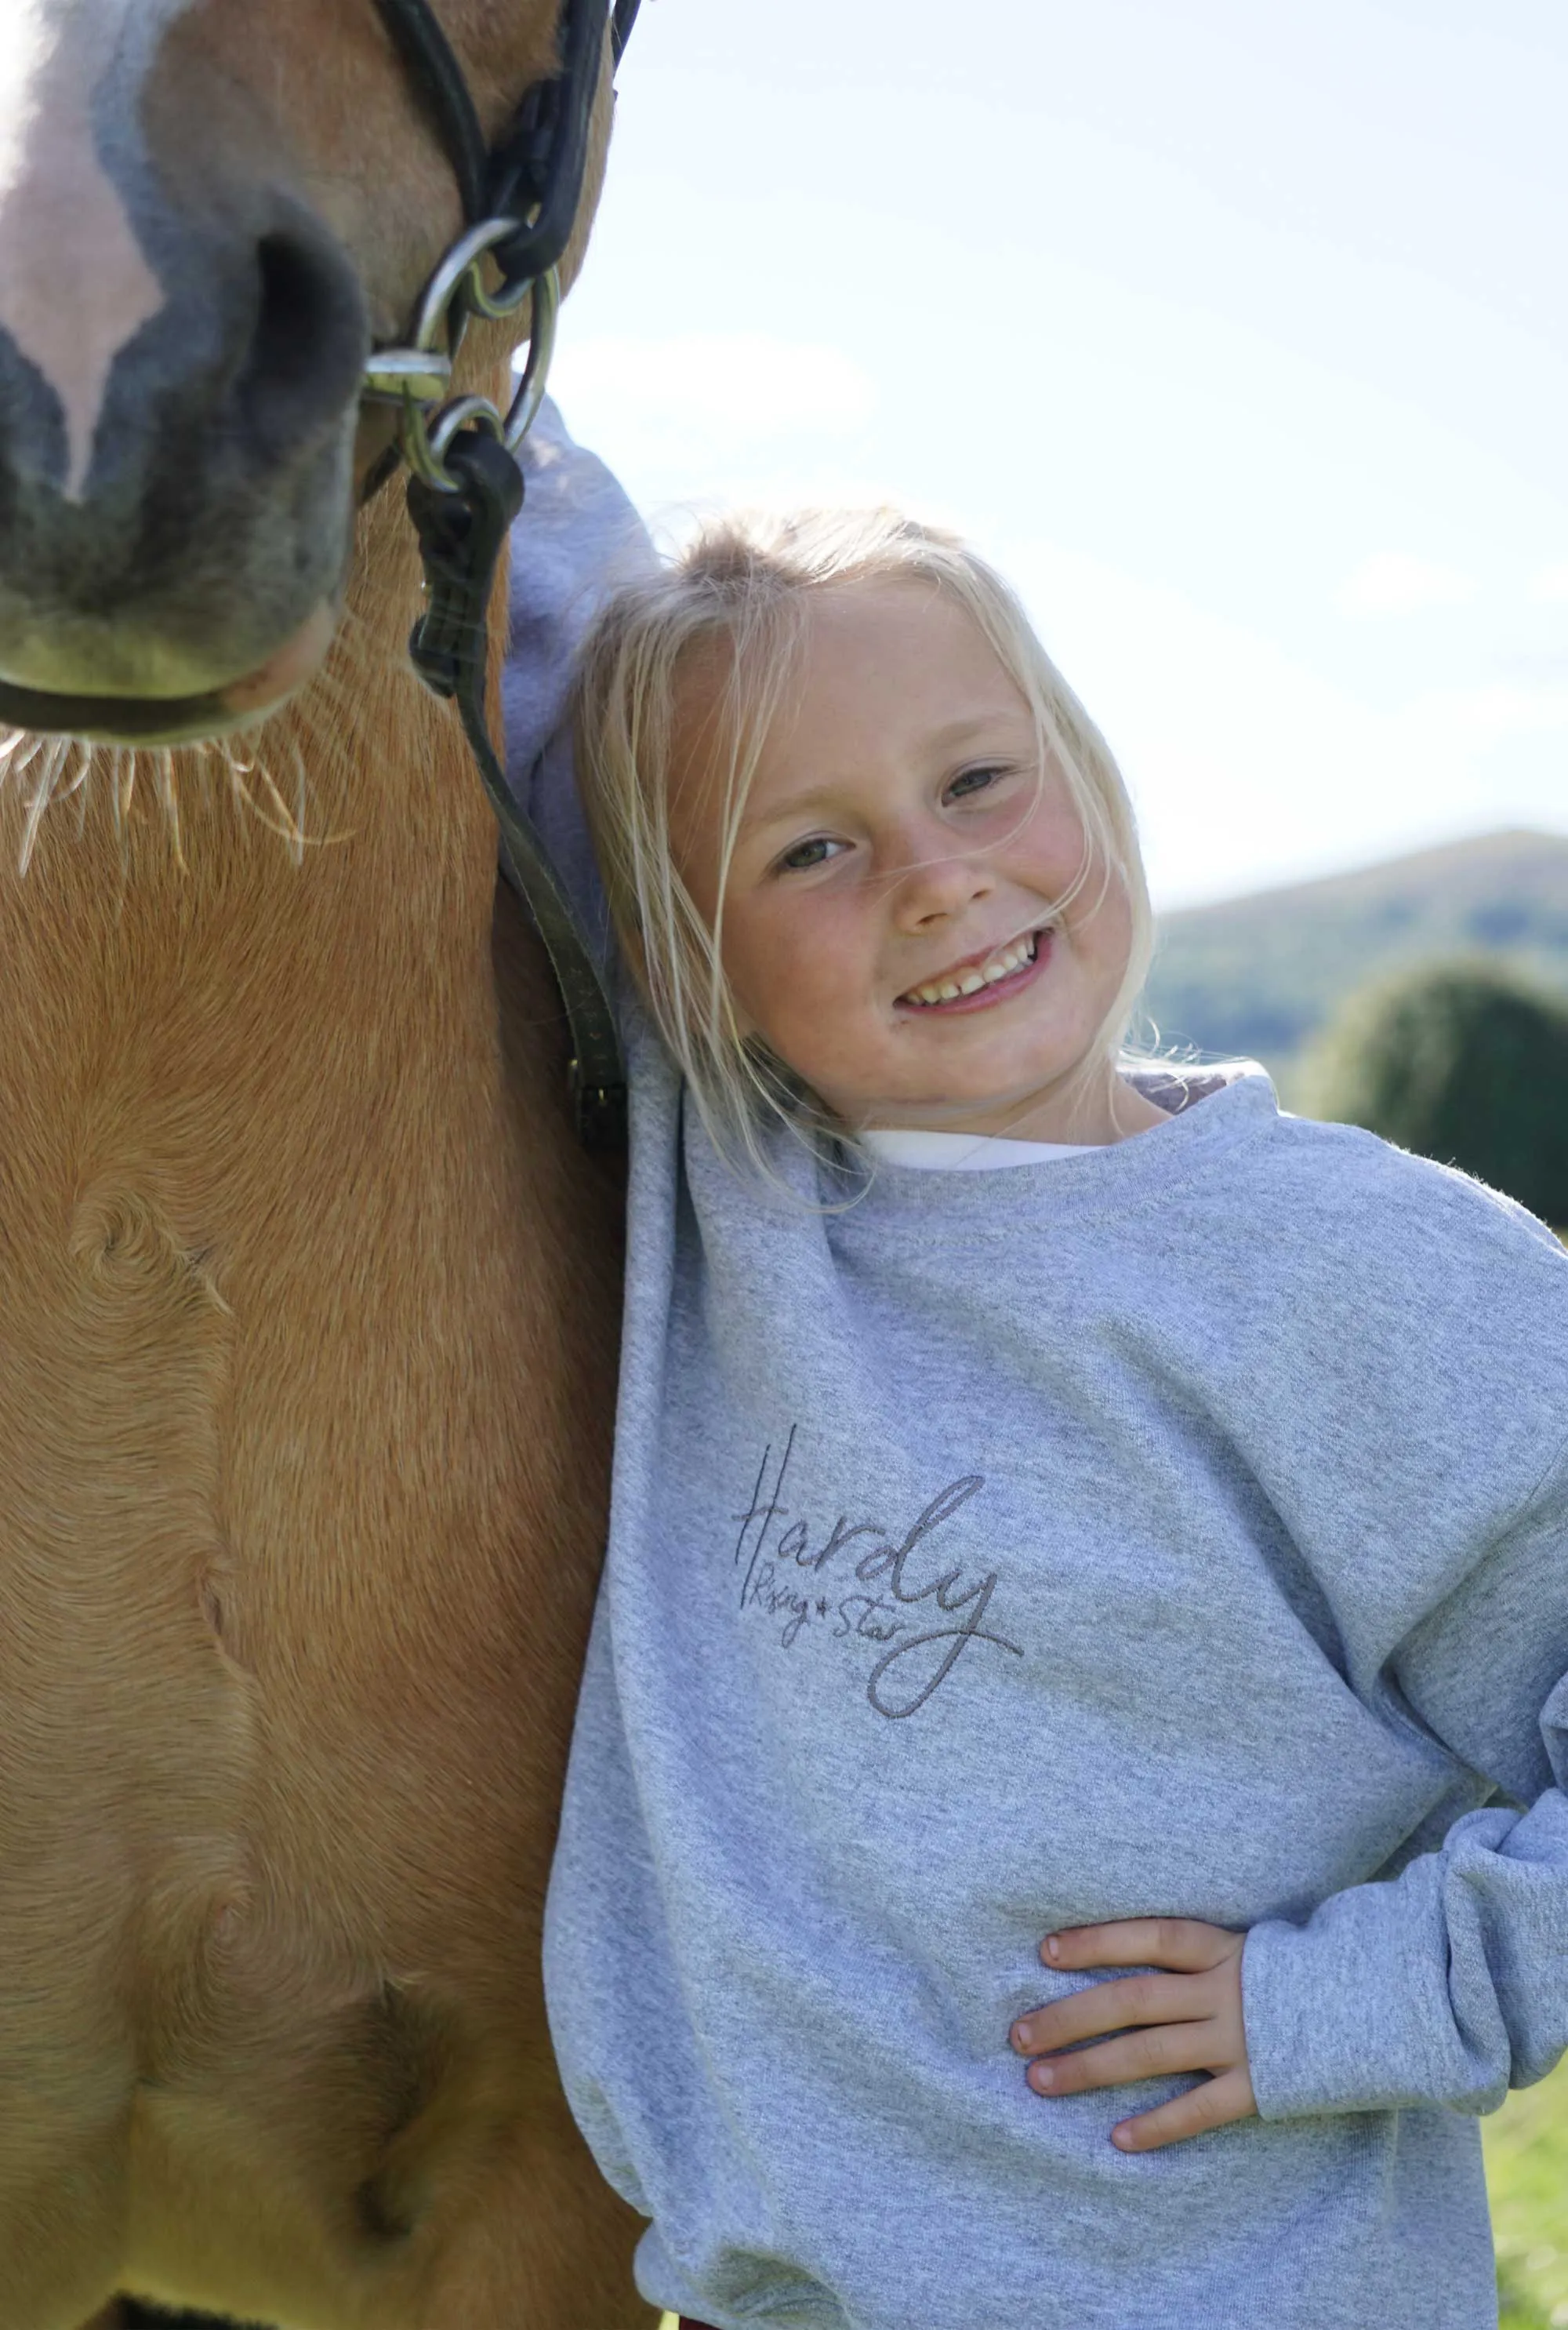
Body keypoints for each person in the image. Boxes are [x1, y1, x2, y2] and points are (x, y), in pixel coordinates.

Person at [536, 503, 1568, 2330]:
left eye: (981, 780)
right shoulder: (724, 1196)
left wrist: (1355, 1999)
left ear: (1082, 771)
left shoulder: (1390, 1282)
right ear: (676, 947)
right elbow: (499, 521)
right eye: (812, 850)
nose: (935, 880)